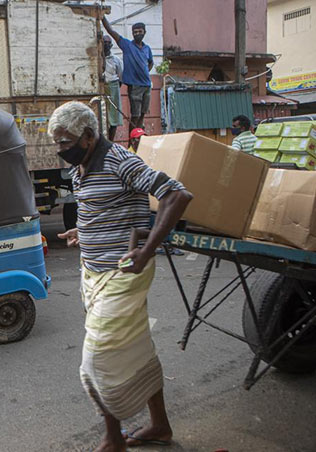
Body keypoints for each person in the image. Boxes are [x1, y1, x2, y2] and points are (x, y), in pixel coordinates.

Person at [50, 101, 193, 452]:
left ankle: (114, 439)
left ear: (87, 136)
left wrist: (146, 252)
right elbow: (107, 209)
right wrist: (82, 233)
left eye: (65, 142)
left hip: (122, 273)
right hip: (93, 273)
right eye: (56, 143)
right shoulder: (82, 166)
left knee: (96, 362)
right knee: (136, 350)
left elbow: (177, 194)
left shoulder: (118, 160)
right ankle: (160, 425)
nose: (60, 150)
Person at [102, 17, 153, 137]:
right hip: (135, 86)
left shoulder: (147, 49)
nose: (138, 34)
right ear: (132, 34)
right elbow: (111, 31)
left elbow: (150, 62)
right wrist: (103, 17)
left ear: (144, 32)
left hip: (147, 85)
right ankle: (132, 141)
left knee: (142, 114)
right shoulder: (127, 45)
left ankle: (138, 139)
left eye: (140, 32)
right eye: (135, 32)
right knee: (134, 116)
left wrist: (145, 72)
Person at [103, 35, 124, 141]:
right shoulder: (98, 58)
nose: (106, 45)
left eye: (108, 43)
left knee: (114, 117)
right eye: (104, 42)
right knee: (103, 115)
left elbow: (120, 76)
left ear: (111, 45)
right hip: (102, 87)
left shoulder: (116, 59)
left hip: (113, 86)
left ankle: (111, 141)